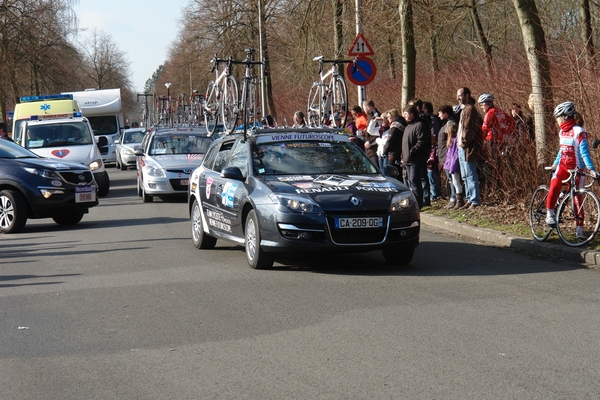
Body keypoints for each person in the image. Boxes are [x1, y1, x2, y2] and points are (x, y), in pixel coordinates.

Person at [545, 102, 597, 238]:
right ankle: (549, 214)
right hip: (563, 167)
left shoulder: (579, 132)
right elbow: (561, 151)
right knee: (555, 185)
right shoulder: (562, 131)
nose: (556, 121)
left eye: (557, 117)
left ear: (564, 117)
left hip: (577, 169)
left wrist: (591, 170)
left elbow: (585, 153)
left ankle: (579, 231)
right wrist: (555, 164)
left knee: (577, 200)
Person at [457, 87, 483, 209]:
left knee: (471, 174)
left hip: (467, 148)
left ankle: (475, 200)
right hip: (461, 147)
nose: (458, 98)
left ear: (467, 95)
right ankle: (469, 199)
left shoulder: (470, 110)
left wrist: (463, 142)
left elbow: (469, 129)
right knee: (465, 176)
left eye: (460, 95)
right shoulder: (464, 110)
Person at [401, 105, 430, 209]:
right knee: (409, 181)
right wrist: (403, 155)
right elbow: (404, 143)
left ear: (411, 114)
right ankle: (412, 202)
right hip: (407, 159)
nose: (404, 116)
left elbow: (421, 141)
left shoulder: (420, 125)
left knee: (415, 181)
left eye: (405, 114)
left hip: (415, 159)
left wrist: (412, 152)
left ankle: (418, 203)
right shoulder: (408, 126)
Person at [437, 105, 458, 208]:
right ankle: (453, 198)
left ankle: (454, 198)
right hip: (444, 155)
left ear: (446, 113)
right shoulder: (445, 123)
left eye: (440, 112)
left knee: (452, 179)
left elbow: (449, 140)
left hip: (448, 155)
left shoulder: (450, 124)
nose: (439, 115)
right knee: (451, 179)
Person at [442, 118, 465, 209]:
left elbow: (455, 155)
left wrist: (452, 166)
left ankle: (459, 200)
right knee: (455, 182)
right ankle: (459, 199)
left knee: (456, 182)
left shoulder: (454, 141)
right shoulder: (452, 140)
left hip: (453, 165)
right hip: (450, 164)